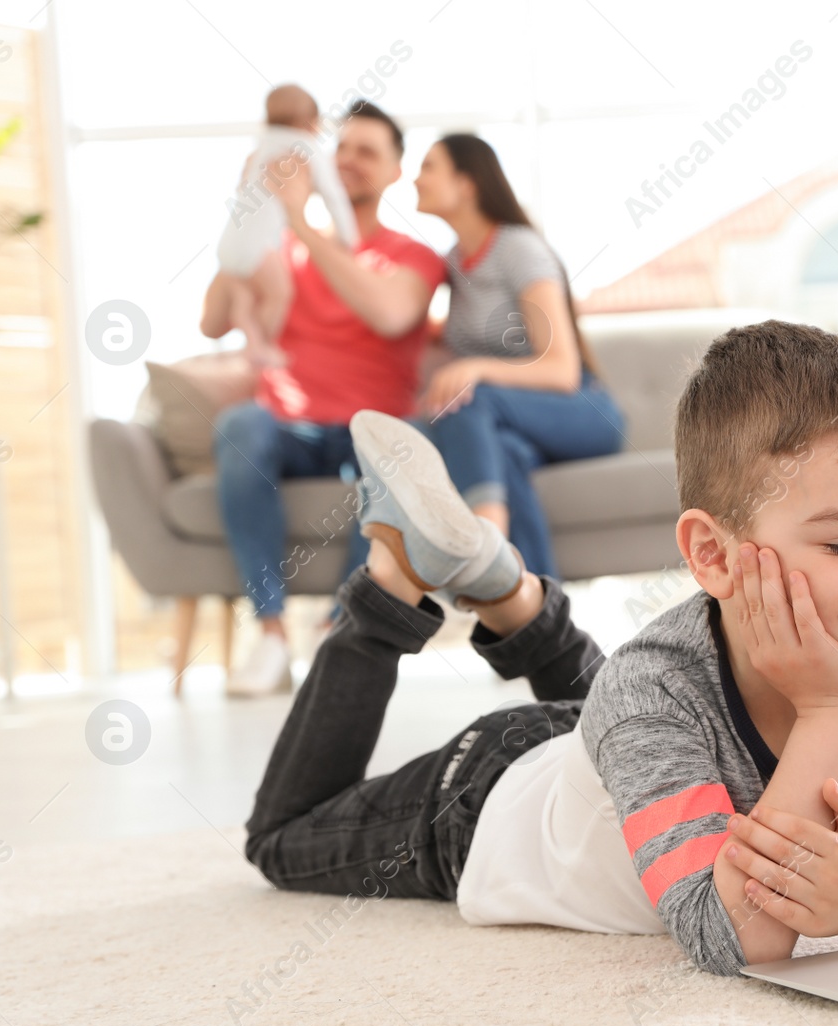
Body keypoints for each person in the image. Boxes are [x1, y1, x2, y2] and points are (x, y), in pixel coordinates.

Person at [243, 321, 838, 976]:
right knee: (282, 839)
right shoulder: (658, 687)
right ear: (713, 557)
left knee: (617, 706)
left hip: (616, 750)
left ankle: (498, 581)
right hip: (482, 799)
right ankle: (398, 572)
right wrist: (829, 706)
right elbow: (740, 935)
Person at [200, 101, 444, 697]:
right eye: (343, 149)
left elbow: (389, 315)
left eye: (369, 152)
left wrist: (303, 224)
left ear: (395, 172)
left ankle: (342, 631)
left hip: (368, 431)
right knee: (239, 426)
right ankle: (272, 637)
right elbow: (211, 322)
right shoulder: (280, 250)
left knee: (394, 453)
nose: (352, 161)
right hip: (289, 430)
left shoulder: (414, 257)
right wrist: (248, 210)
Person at [411, 133, 624, 580]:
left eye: (429, 166)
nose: (416, 179)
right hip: (514, 426)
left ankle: (485, 542)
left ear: (466, 184)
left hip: (583, 411)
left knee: (471, 396)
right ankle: (535, 611)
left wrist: (474, 369)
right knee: (500, 450)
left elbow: (562, 370)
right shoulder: (454, 261)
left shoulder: (518, 248)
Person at [213, 84, 359, 370]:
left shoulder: (261, 147)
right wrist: (349, 240)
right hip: (258, 248)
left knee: (243, 299)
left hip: (229, 244)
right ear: (311, 123)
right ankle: (262, 347)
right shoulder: (307, 148)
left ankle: (251, 343)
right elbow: (335, 196)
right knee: (279, 293)